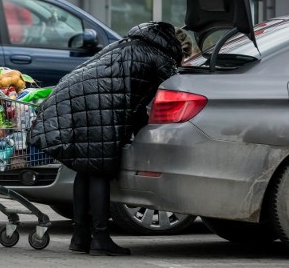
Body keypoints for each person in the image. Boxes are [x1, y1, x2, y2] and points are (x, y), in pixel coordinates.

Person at [29, 21, 183, 256]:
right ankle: (100, 238)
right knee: (99, 170)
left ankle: (80, 237)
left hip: (72, 98)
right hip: (98, 107)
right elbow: (179, 85)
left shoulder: (123, 46)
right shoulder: (158, 56)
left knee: (85, 169)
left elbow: (130, 93)